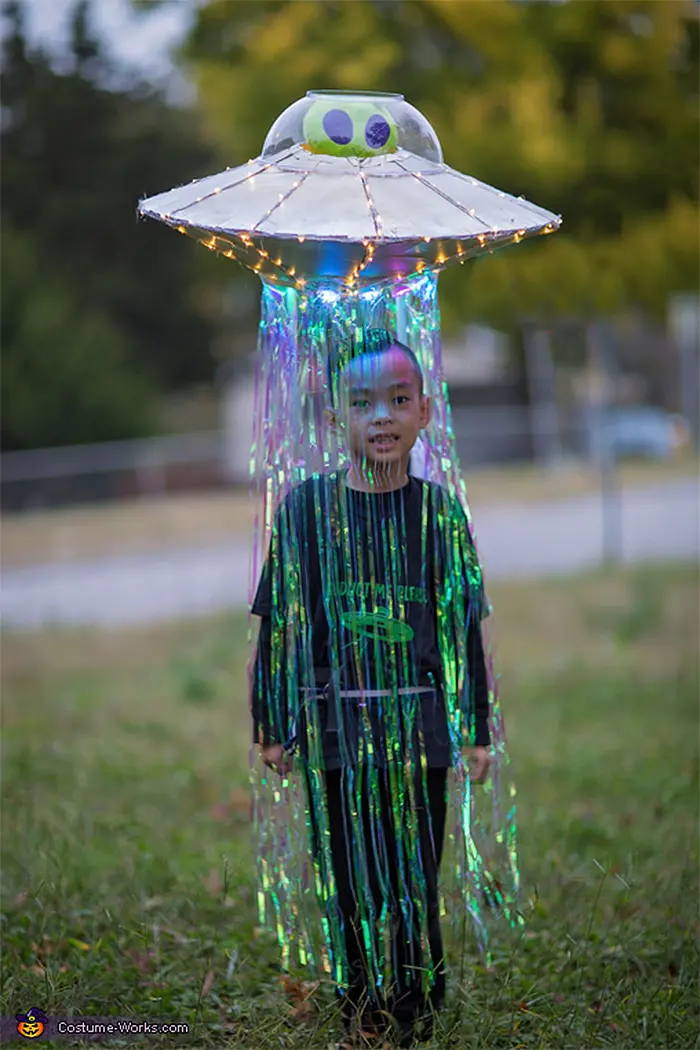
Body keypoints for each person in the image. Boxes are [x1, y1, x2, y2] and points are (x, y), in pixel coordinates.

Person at [250, 329, 492, 1048]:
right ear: (335, 420)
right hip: (333, 730)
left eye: (397, 400)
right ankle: (358, 995)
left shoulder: (439, 516)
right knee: (349, 879)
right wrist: (272, 719)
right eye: (363, 403)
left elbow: (460, 632)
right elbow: (282, 628)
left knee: (416, 873)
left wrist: (475, 725)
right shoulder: (304, 512)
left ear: (424, 412)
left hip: (421, 730)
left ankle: (419, 996)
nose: (381, 416)